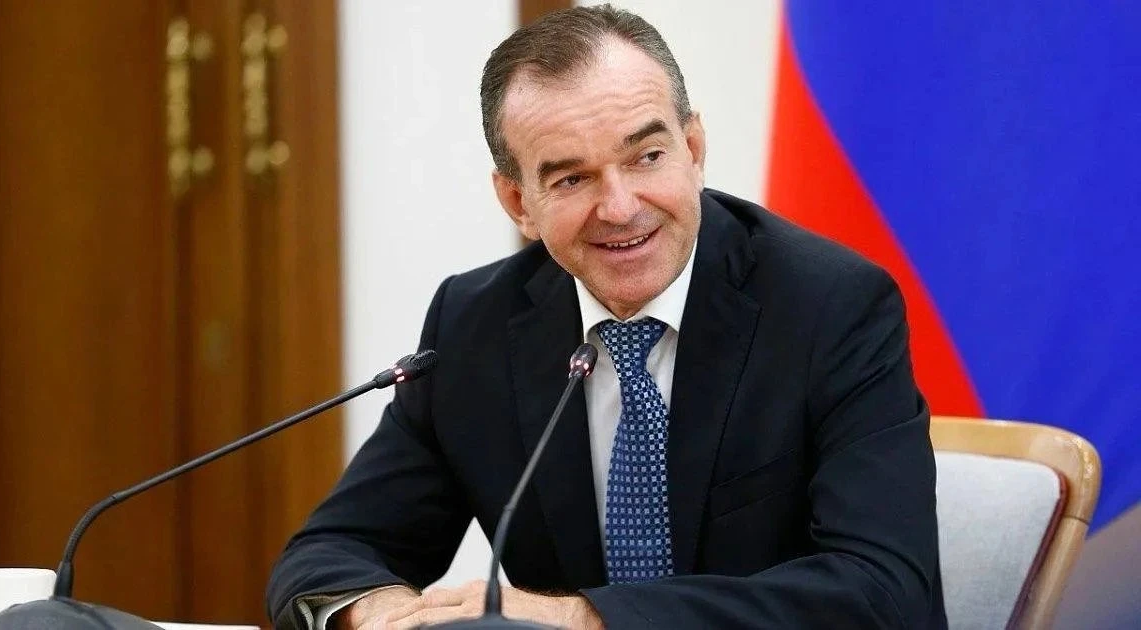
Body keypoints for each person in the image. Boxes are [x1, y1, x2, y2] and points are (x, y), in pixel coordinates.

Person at [267, 5, 946, 629]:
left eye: (646, 157)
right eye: (572, 179)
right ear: (518, 203)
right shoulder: (473, 326)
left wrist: (586, 619)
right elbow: (332, 552)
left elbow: (883, 592)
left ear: (694, 149)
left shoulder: (832, 307)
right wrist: (381, 615)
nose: (620, 208)